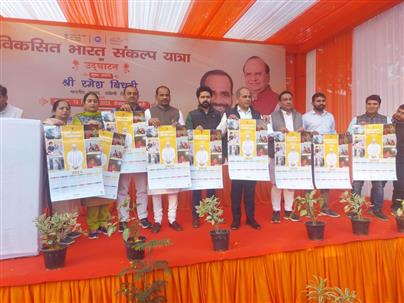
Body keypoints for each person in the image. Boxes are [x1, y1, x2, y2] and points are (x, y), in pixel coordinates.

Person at [217, 87, 262, 230]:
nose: (248, 99)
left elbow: (263, 133)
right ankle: (236, 220)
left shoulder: (256, 114)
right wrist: (228, 123)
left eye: (249, 96)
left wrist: (263, 125)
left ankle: (250, 218)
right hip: (236, 158)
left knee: (250, 190)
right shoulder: (229, 113)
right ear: (238, 98)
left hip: (252, 157)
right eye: (244, 96)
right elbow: (219, 132)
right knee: (236, 190)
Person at [145, 85, 185, 233]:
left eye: (167, 95)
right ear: (156, 97)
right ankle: (157, 220)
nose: (164, 98)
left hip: (172, 155)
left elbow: (183, 132)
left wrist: (179, 128)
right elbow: (142, 132)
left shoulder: (177, 112)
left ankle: (172, 219)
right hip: (155, 155)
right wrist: (148, 123)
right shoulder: (149, 112)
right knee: (157, 189)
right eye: (161, 95)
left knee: (172, 189)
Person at [73, 92, 111, 239]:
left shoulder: (105, 117)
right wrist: (88, 127)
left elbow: (113, 133)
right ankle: (93, 226)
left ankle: (104, 224)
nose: (93, 103)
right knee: (93, 195)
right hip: (89, 160)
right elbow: (75, 136)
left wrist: (102, 127)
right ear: (84, 103)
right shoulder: (78, 118)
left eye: (95, 101)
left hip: (105, 158)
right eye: (89, 101)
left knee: (105, 194)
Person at [347, 94, 391, 221]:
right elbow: (348, 138)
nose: (371, 106)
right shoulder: (357, 119)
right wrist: (359, 130)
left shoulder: (386, 120)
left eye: (374, 104)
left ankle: (376, 210)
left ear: (379, 105)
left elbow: (390, 139)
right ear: (365, 105)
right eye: (369, 104)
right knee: (357, 184)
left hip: (378, 159)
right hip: (360, 158)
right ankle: (355, 209)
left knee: (378, 185)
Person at [43, 99, 80, 245]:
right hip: (56, 171)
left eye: (67, 109)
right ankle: (60, 234)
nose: (65, 111)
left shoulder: (70, 127)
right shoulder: (47, 125)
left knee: (71, 201)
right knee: (60, 202)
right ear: (54, 111)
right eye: (61, 108)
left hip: (70, 168)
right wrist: (51, 123)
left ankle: (69, 229)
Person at [186, 86, 222, 228]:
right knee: (196, 188)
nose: (205, 99)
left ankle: (212, 213)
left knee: (212, 186)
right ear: (198, 99)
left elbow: (222, 134)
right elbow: (186, 135)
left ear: (211, 98)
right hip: (196, 157)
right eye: (202, 97)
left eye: (208, 97)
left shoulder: (218, 115)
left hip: (213, 156)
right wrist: (194, 131)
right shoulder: (192, 115)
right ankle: (196, 216)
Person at [116, 85, 151, 231]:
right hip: (124, 157)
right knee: (122, 190)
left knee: (142, 189)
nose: (132, 96)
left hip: (140, 157)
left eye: (134, 93)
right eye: (128, 93)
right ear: (124, 96)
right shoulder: (117, 113)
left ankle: (142, 217)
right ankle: (123, 220)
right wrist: (121, 113)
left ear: (138, 95)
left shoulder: (145, 113)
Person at [302, 92, 339, 217]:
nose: (321, 103)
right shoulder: (306, 117)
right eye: (318, 101)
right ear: (313, 103)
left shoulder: (330, 116)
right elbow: (301, 135)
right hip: (311, 151)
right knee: (310, 180)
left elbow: (333, 132)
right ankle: (309, 208)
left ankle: (325, 208)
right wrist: (310, 133)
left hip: (327, 152)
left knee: (325, 180)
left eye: (323, 100)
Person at [269, 91, 303, 223]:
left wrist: (301, 132)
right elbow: (268, 134)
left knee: (290, 183)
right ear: (280, 102)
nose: (288, 101)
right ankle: (276, 211)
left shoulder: (299, 115)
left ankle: (288, 210)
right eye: (285, 99)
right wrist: (279, 132)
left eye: (290, 99)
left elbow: (301, 134)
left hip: (293, 153)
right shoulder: (272, 116)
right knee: (276, 184)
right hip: (277, 153)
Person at [392, 104, 404, 214]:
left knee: (400, 183)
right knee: (396, 182)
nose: (399, 114)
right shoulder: (390, 123)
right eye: (398, 111)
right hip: (389, 157)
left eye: (403, 113)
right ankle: (395, 205)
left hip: (402, 158)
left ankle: (398, 207)